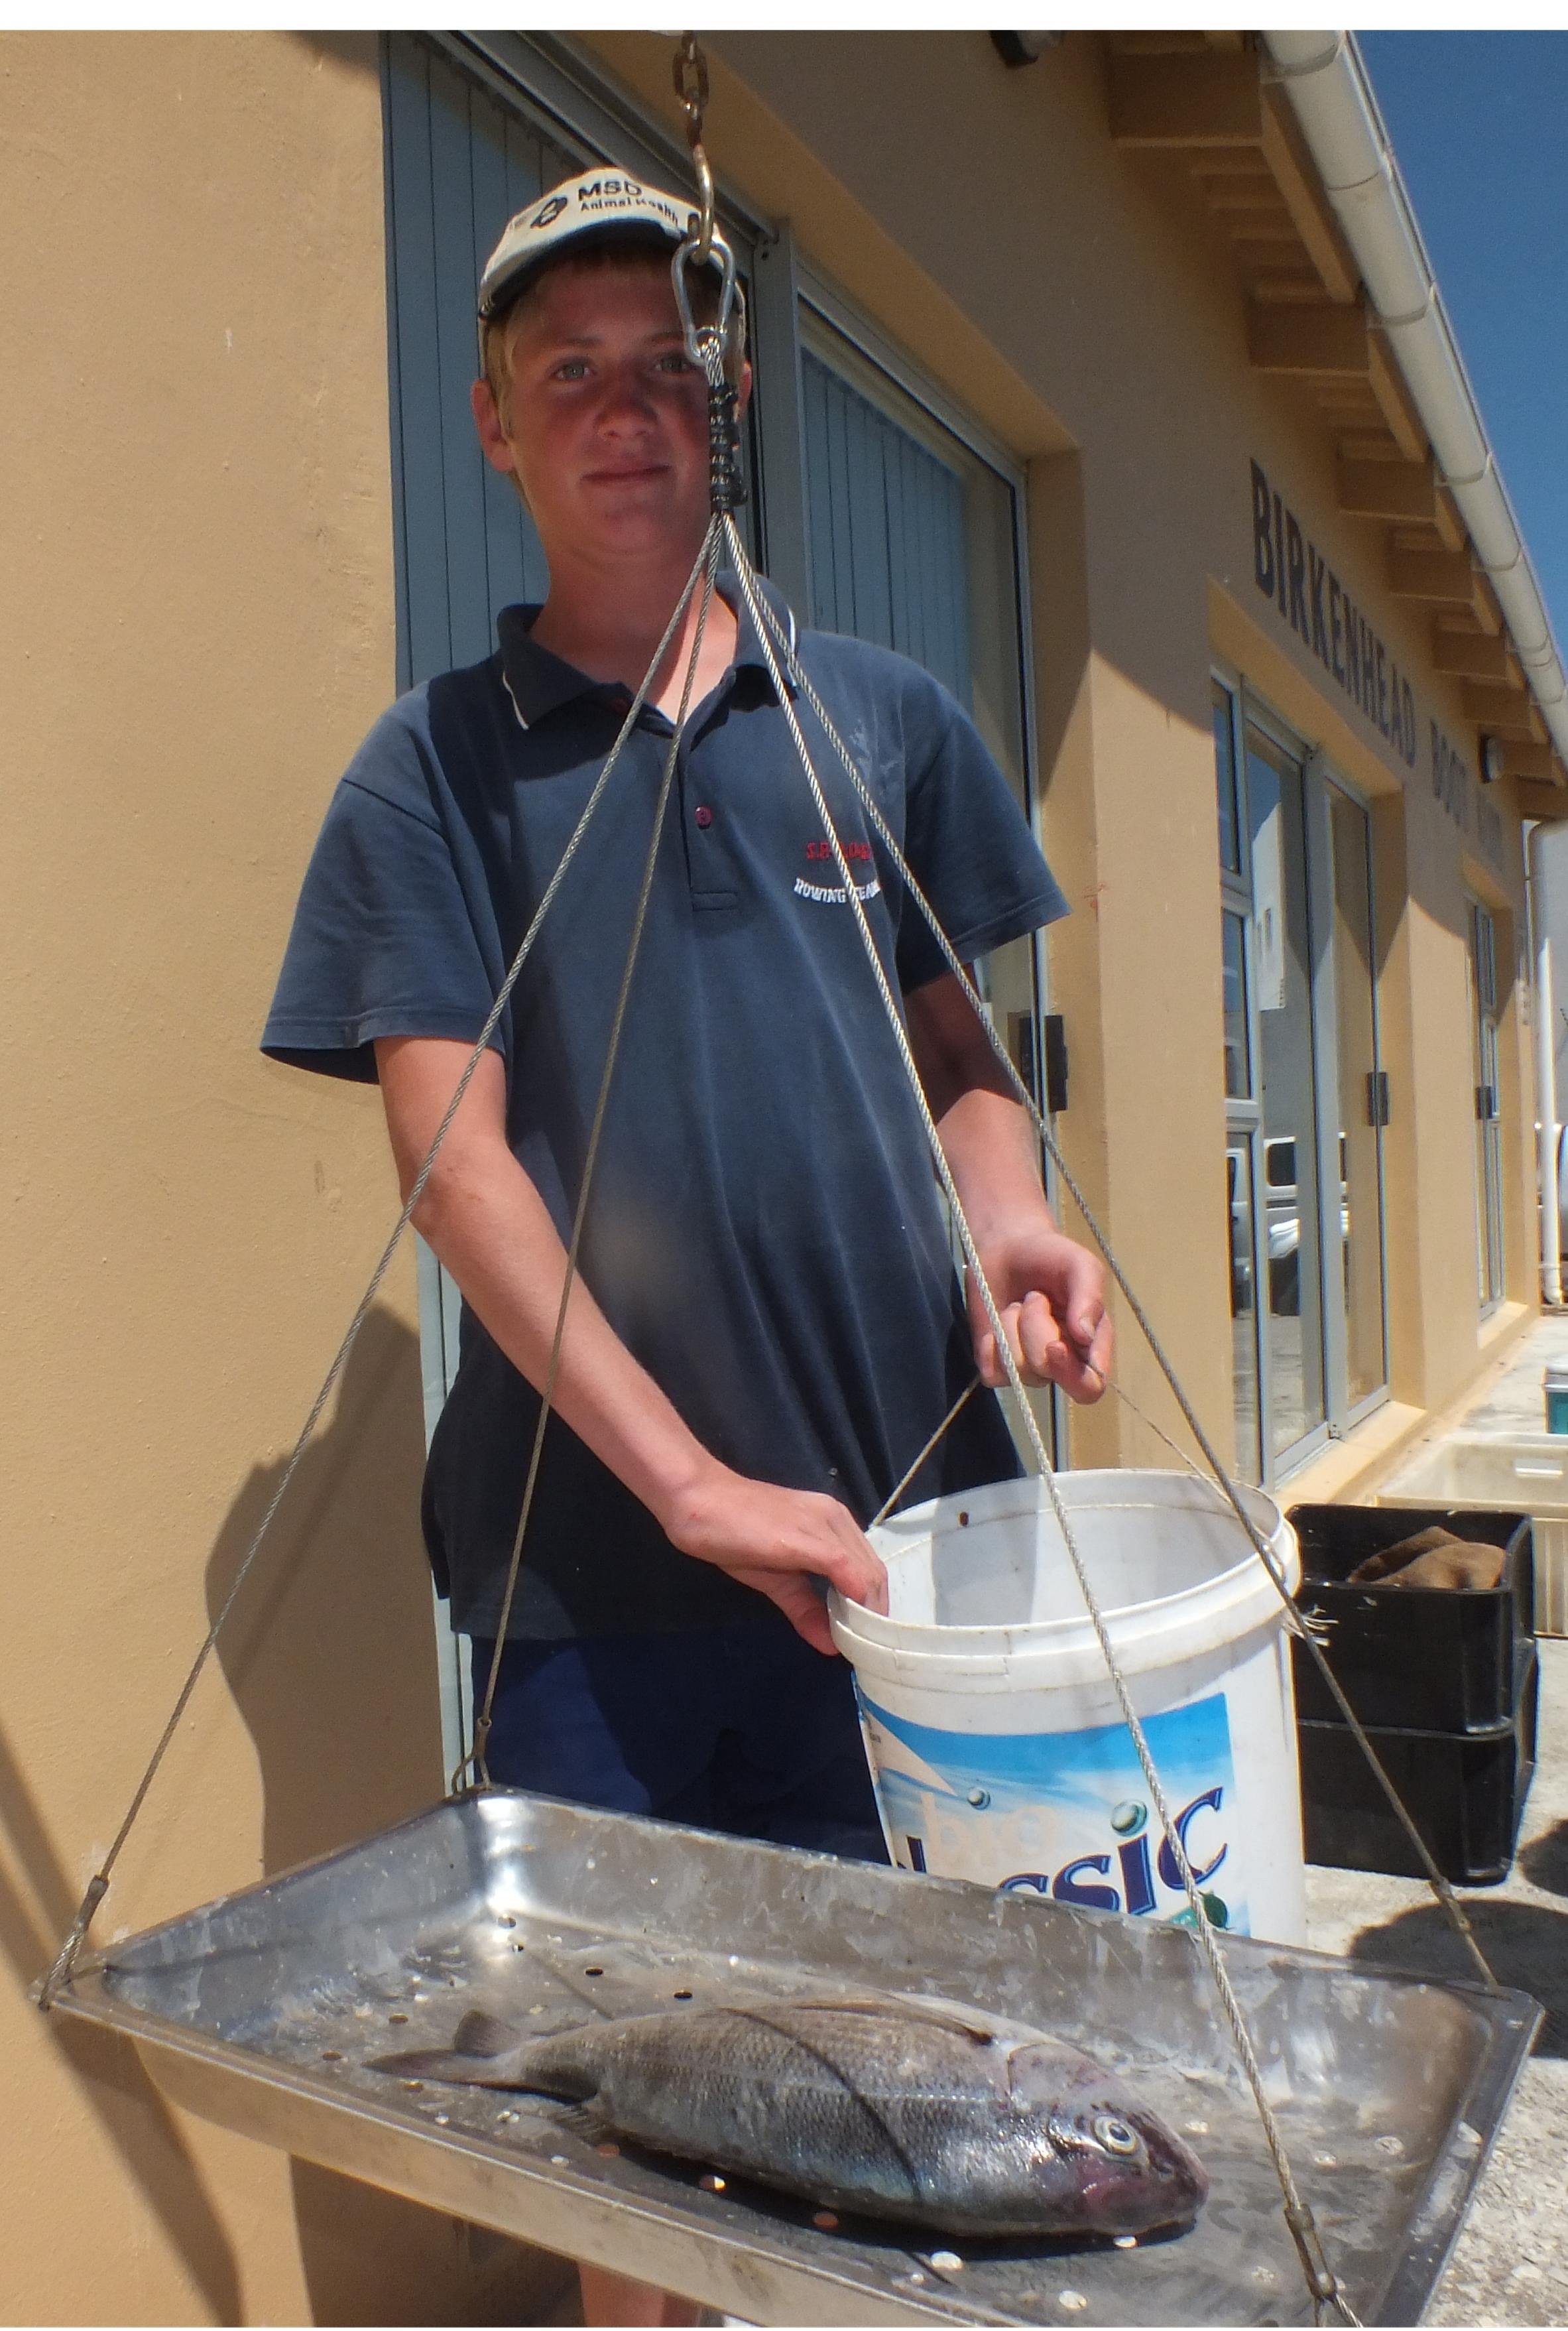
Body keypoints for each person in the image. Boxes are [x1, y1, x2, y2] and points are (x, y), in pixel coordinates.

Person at [263, 171, 1111, 2326]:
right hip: (592, 1588)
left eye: (667, 367)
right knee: (638, 2147)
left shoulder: (880, 719)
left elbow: (965, 1056)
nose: (628, 411)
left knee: (910, 2097)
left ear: (724, 403)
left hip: (903, 1568)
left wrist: (1014, 1219)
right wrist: (690, 1484)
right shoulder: (432, 774)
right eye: (572, 374)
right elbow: (456, 1164)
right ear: (494, 424)